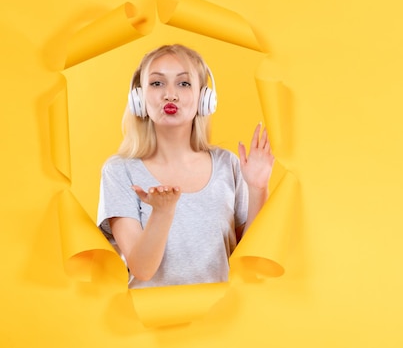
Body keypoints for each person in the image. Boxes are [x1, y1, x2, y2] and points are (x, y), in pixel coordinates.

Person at [96, 44, 274, 288]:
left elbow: (250, 261)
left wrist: (258, 187)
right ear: (139, 98)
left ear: (204, 97)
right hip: (149, 321)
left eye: (184, 83)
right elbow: (142, 268)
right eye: (157, 83)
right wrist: (162, 212)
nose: (170, 95)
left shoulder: (227, 164)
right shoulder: (119, 171)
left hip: (223, 319)